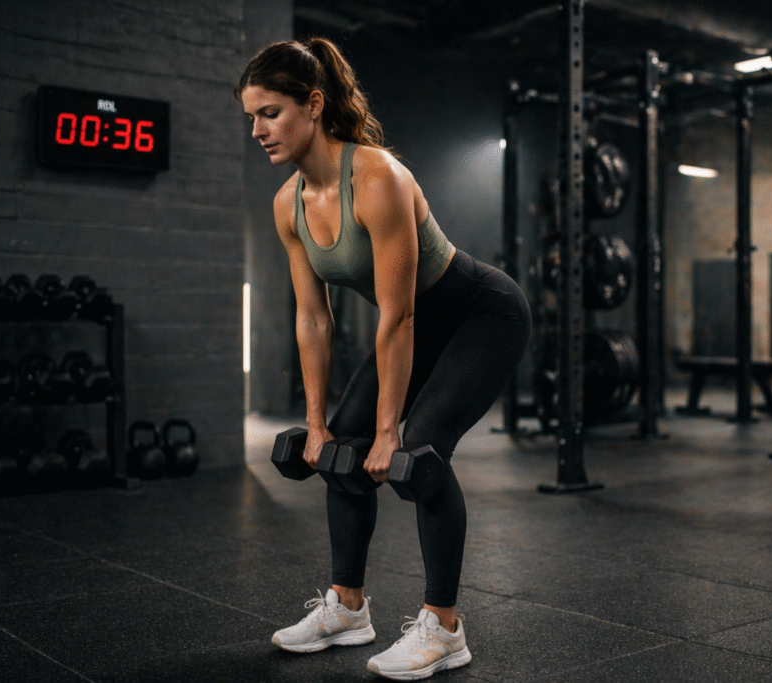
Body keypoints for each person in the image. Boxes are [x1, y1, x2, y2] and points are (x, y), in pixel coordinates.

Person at [237, 38, 531, 681]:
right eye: (251, 116)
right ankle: (348, 608)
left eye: (271, 112)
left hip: (481, 313)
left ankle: (445, 628)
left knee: (418, 454)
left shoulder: (377, 178)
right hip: (418, 324)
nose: (257, 129)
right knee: (342, 446)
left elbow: (397, 316)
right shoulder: (288, 203)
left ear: (313, 105)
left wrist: (390, 431)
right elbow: (313, 317)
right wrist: (316, 426)